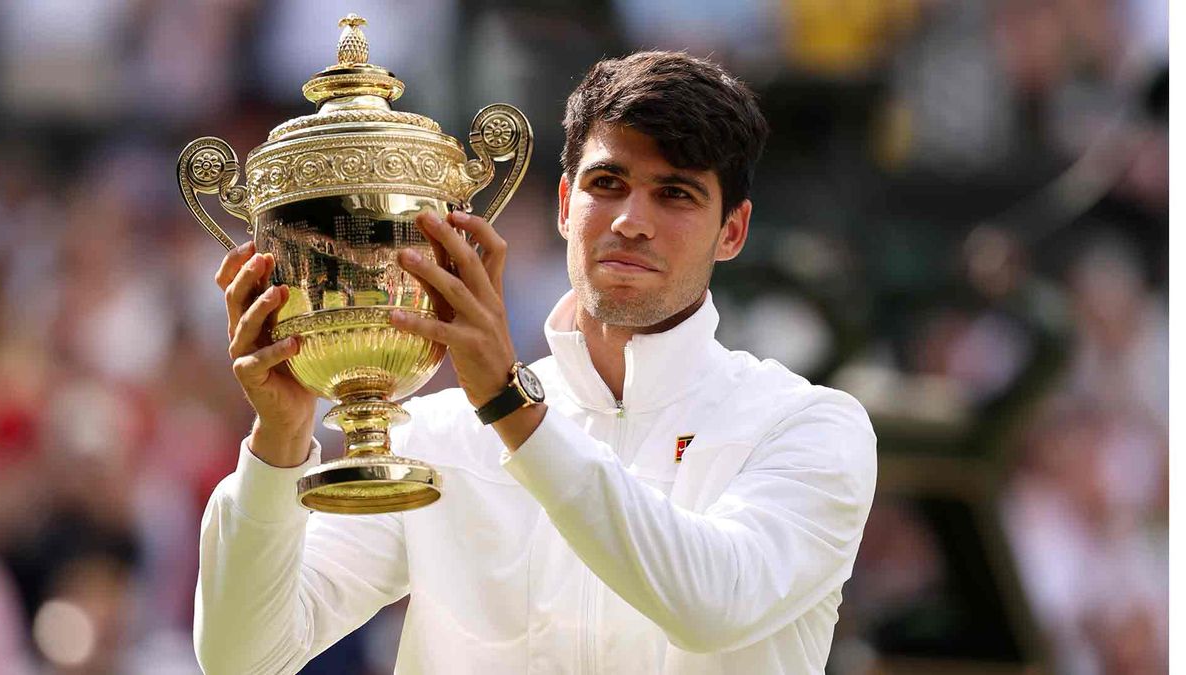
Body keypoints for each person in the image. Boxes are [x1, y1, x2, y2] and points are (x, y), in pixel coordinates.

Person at [194, 51, 877, 674]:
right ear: (562, 204)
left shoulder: (810, 426)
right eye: (607, 183)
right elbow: (244, 658)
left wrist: (509, 406)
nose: (631, 220)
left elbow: (712, 604)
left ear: (733, 231)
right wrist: (278, 443)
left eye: (675, 193)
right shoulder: (435, 435)